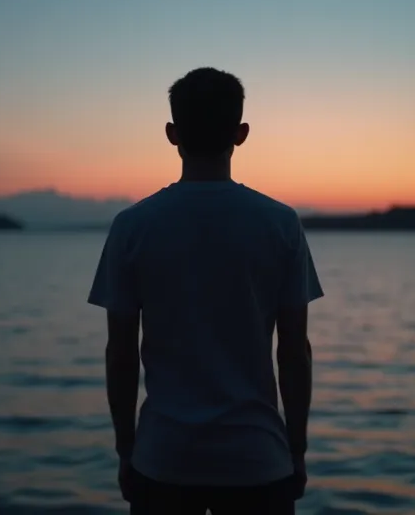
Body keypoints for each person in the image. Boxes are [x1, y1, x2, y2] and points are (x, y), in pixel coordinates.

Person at [87, 67, 324, 514]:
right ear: (241, 133)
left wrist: (126, 450)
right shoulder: (279, 224)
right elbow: (294, 351)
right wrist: (296, 449)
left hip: (163, 460)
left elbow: (120, 352)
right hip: (258, 460)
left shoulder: (132, 226)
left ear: (172, 134)